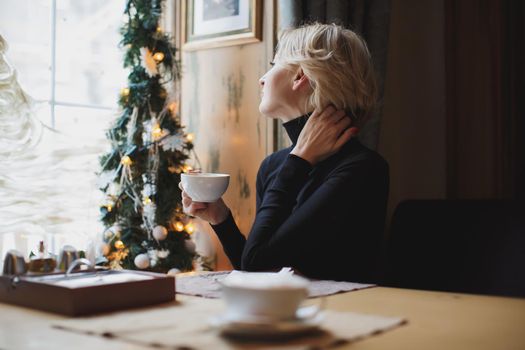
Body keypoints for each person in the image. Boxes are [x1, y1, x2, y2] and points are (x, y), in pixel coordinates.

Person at [181, 23, 389, 282]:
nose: (262, 78)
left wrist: (299, 161)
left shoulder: (362, 168)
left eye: (275, 64)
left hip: (342, 316)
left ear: (300, 76)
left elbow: (257, 264)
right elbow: (254, 268)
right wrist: (220, 219)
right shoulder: (275, 165)